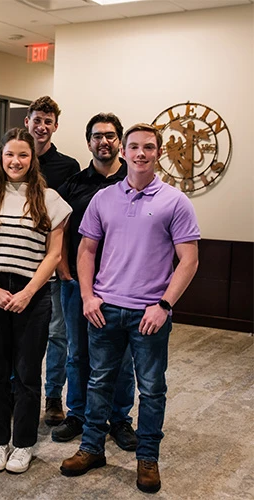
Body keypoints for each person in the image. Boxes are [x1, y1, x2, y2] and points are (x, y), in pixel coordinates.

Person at [60, 124, 200, 494]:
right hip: (105, 309)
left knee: (152, 389)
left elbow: (189, 261)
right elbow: (85, 251)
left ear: (158, 152)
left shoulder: (175, 201)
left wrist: (164, 305)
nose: (141, 153)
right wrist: (89, 297)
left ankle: (147, 458)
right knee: (98, 381)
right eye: (134, 147)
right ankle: (91, 448)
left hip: (149, 315)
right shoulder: (103, 199)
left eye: (148, 147)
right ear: (123, 150)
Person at [0, 128, 72, 474]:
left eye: (23, 155)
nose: (16, 161)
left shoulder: (50, 200)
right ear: (1, 158)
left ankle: (23, 444)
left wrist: (28, 292)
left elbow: (54, 253)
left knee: (27, 373)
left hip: (34, 293)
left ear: (33, 160)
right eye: (10, 154)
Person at [53, 113, 136, 450]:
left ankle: (119, 420)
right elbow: (58, 229)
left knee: (122, 356)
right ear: (89, 142)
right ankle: (78, 414)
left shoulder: (133, 183)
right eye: (97, 136)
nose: (104, 141)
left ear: (119, 142)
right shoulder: (73, 185)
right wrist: (62, 265)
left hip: (121, 288)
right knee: (78, 353)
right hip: (76, 283)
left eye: (111, 136)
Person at [24, 96, 80, 426]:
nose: (41, 126)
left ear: (55, 126)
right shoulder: (15, 159)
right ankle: (21, 392)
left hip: (53, 263)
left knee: (58, 335)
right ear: (27, 122)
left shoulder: (68, 167)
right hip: (19, 263)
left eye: (48, 121)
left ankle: (53, 397)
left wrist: (61, 261)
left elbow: (68, 220)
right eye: (37, 120)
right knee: (22, 335)